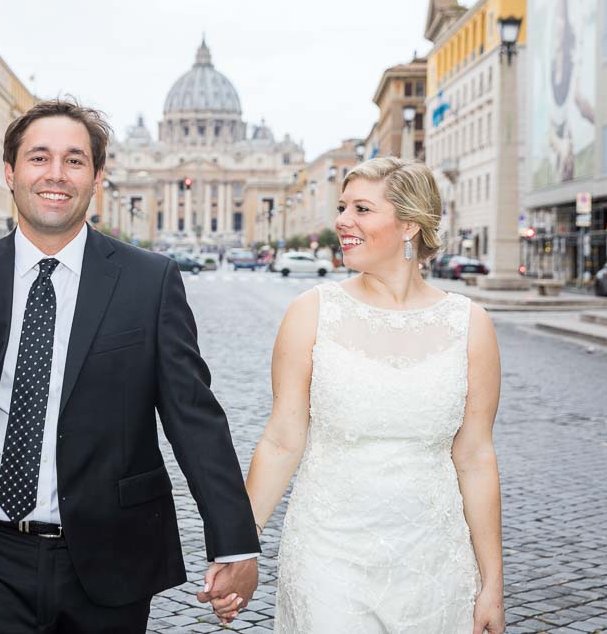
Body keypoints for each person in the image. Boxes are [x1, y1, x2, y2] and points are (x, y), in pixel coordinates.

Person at [0, 99, 260, 634]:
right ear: (10, 172)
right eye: (38, 158)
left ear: (98, 177)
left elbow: (194, 419)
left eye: (74, 160)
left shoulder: (150, 281)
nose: (56, 174)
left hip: (109, 554)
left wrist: (234, 539)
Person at [210, 157, 505, 632]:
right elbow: (283, 440)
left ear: (408, 224)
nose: (342, 221)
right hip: (329, 555)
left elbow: (475, 456)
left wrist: (492, 582)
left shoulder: (471, 325)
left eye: (362, 209)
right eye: (343, 206)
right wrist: (240, 547)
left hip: (435, 559)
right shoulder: (311, 313)